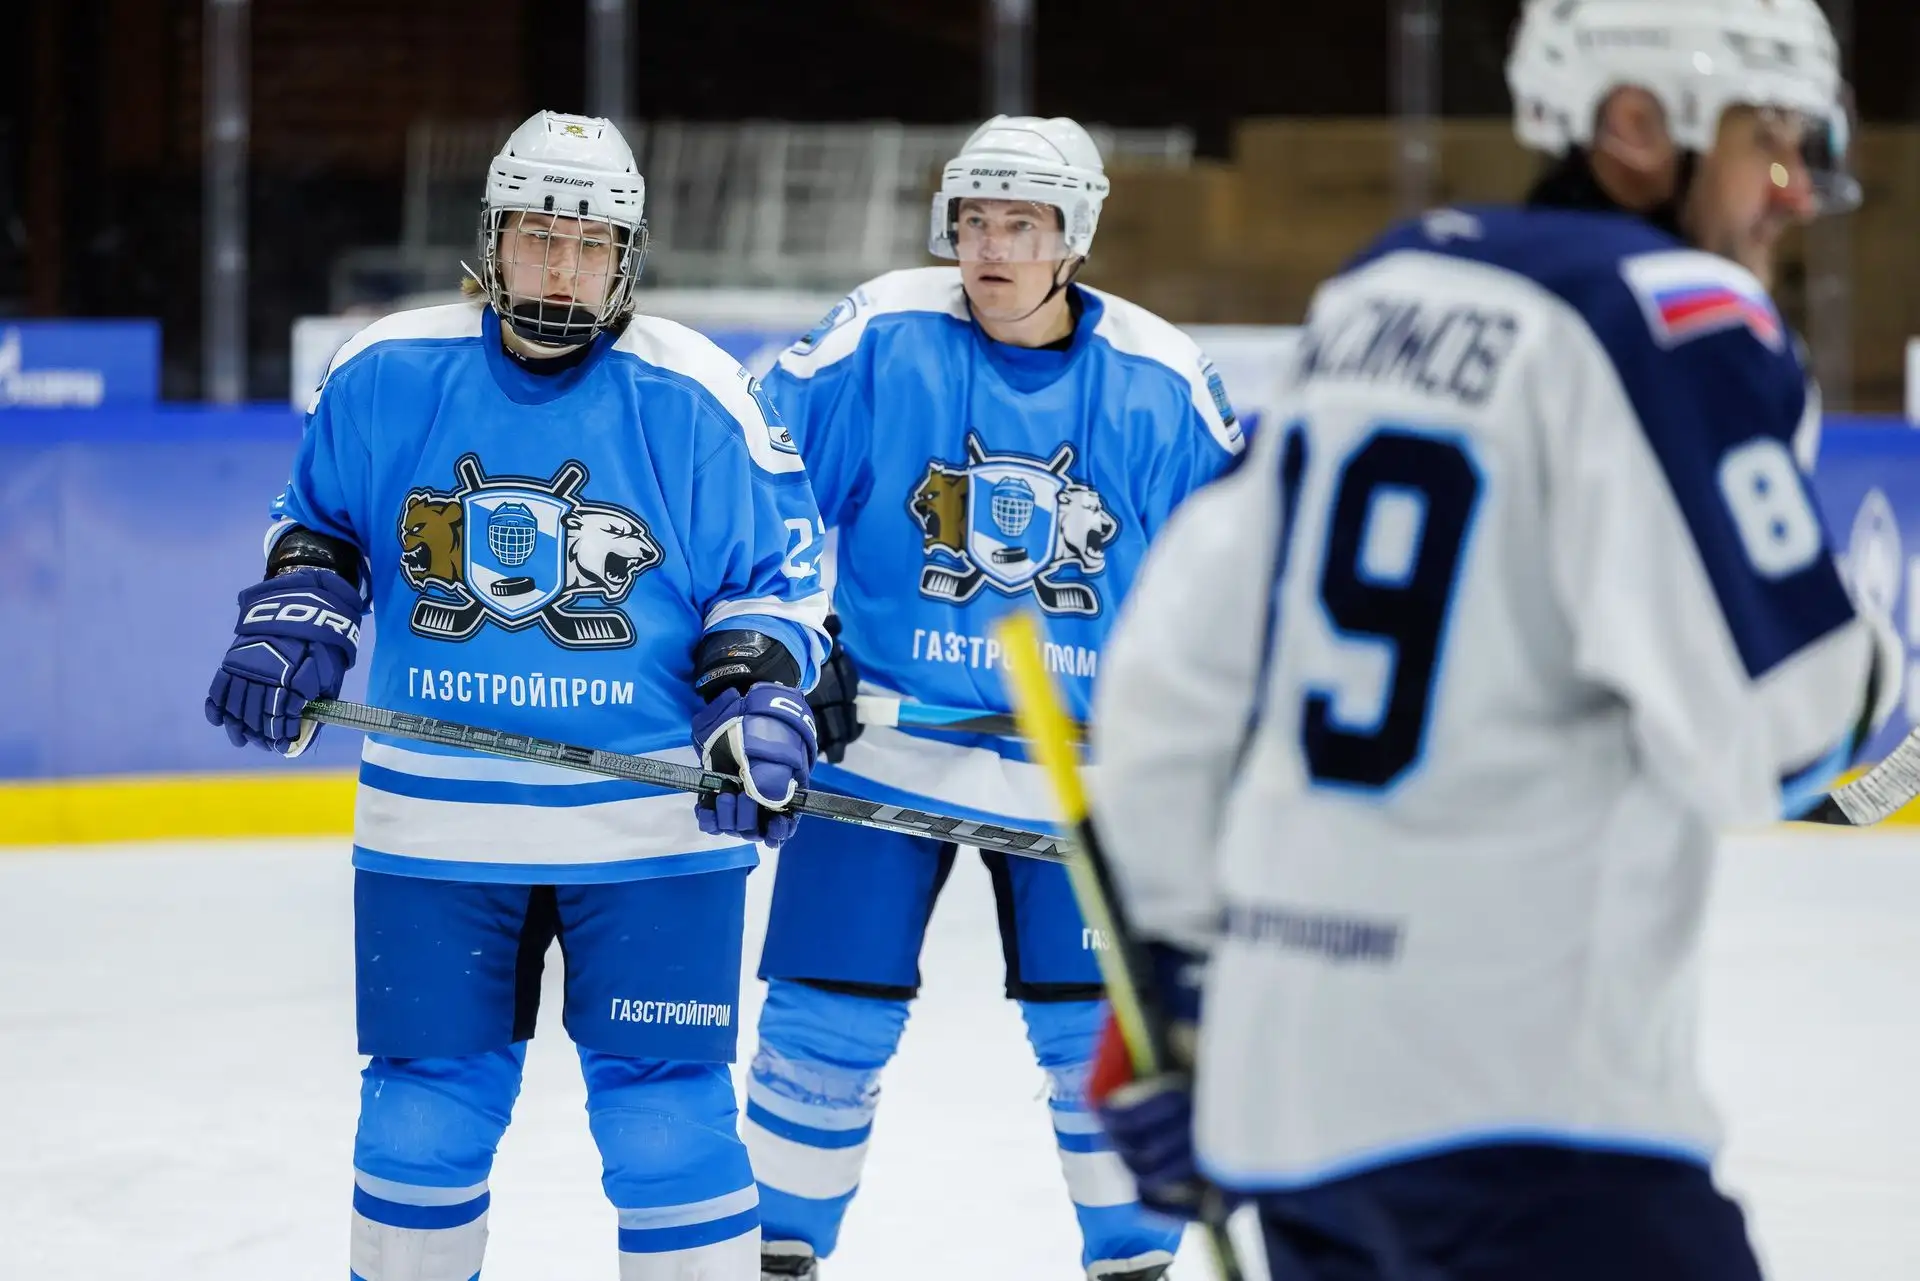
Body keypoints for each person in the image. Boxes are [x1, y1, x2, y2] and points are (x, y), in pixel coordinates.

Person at [1083, 2, 1904, 1278]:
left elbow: (1170, 684)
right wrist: (1882, 682)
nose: (1794, 193)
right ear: (1637, 123)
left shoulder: (1381, 290)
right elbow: (1780, 731)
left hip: (1292, 1106)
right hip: (1531, 1115)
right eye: (1770, 142)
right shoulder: (1671, 314)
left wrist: (1178, 990)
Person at [203, 110, 830, 1281]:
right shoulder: (387, 370)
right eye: (540, 236)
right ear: (491, 239)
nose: (561, 268)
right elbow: (320, 527)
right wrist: (297, 616)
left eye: (590, 245)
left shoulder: (699, 394)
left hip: (648, 835)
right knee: (419, 1122)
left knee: (667, 1126)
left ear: (627, 258)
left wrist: (753, 698)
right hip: (437, 828)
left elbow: (772, 584)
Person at [743, 115, 1245, 1281]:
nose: (991, 247)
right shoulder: (882, 332)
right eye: (973, 221)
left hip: (1082, 771)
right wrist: (789, 645)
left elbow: (1235, 574)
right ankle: (775, 1259)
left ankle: (1134, 1265)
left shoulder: (1161, 379)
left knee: (1097, 1042)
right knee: (822, 1028)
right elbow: (755, 487)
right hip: (884, 746)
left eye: (1021, 224)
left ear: (1074, 237)